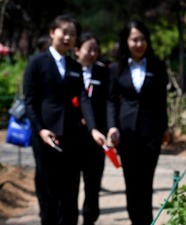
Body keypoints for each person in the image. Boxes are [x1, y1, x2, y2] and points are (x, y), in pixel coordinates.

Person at [23, 14, 106, 225]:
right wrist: (40, 130)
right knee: (48, 188)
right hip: (46, 137)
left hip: (72, 137)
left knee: (70, 189)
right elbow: (30, 102)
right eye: (64, 32)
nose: (68, 37)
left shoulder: (75, 67)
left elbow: (84, 100)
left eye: (73, 34)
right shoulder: (36, 62)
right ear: (53, 32)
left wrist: (93, 129)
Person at [107, 20, 169, 225]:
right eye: (134, 39)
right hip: (126, 134)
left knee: (146, 183)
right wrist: (112, 126)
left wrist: (164, 129)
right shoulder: (116, 68)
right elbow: (111, 101)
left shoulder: (158, 67)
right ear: (126, 42)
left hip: (151, 134)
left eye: (142, 39)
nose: (139, 44)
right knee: (131, 184)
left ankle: (146, 222)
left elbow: (162, 100)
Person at [74, 32, 109, 225]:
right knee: (70, 185)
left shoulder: (104, 72)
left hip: (96, 139)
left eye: (96, 49)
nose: (93, 53)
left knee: (93, 185)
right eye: (89, 49)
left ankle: (90, 219)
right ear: (77, 50)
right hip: (72, 137)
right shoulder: (69, 70)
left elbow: (109, 102)